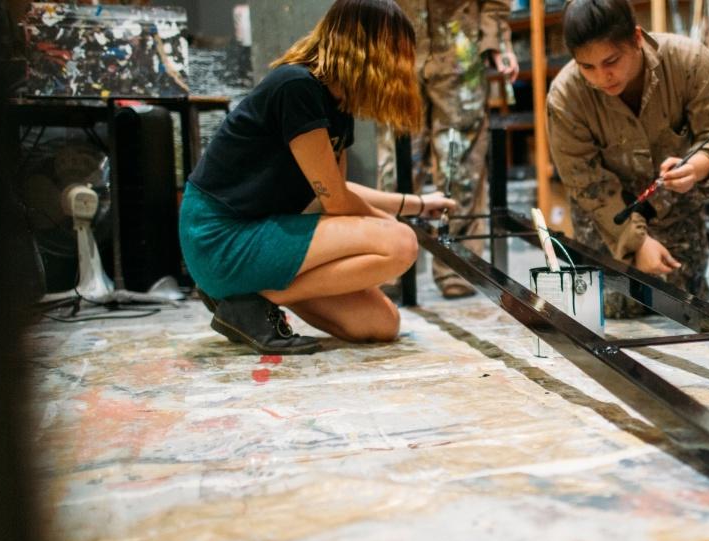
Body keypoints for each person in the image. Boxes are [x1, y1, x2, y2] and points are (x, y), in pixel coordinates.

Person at [180, 0, 456, 355]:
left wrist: (417, 204)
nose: (403, 64)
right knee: (400, 244)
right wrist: (396, 226)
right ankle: (253, 301)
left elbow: (334, 190)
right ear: (367, 47)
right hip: (220, 238)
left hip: (261, 234)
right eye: (397, 51)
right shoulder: (296, 86)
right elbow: (336, 202)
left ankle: (249, 301)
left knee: (381, 325)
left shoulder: (337, 103)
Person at [547, 0, 709, 317]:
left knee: (682, 306)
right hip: (608, 214)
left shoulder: (688, 62)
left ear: (637, 38)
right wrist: (635, 242)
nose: (602, 77)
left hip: (674, 203)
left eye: (611, 61)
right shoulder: (566, 96)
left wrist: (696, 166)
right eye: (587, 67)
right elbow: (585, 181)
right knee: (615, 307)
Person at [384, 0, 518, 298]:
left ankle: (456, 262)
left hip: (459, 44)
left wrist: (496, 38)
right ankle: (390, 262)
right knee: (396, 163)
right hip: (397, 43)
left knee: (459, 165)